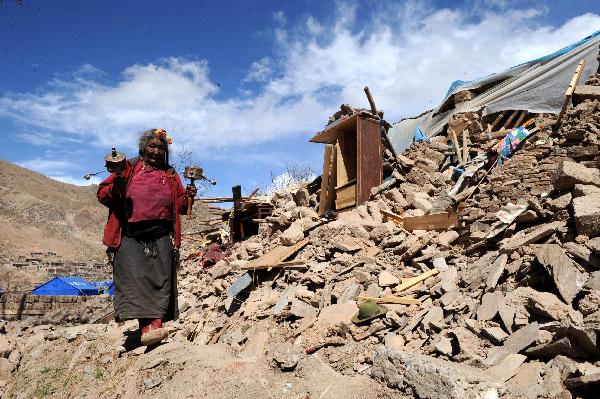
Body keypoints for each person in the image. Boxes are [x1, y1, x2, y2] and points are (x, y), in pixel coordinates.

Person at [97, 128, 196, 346]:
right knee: (137, 281)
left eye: (161, 148)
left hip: (161, 235)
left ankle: (156, 327)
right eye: (152, 146)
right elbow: (103, 194)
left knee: (161, 280)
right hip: (130, 236)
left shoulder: (170, 174)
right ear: (143, 148)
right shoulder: (129, 168)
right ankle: (146, 328)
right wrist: (118, 185)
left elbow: (179, 206)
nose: (156, 151)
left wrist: (188, 197)